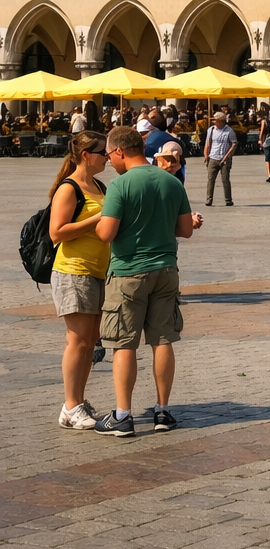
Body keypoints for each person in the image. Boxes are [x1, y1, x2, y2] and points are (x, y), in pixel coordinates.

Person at [93, 126, 201, 436]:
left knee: (124, 343)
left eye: (110, 155)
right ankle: (163, 411)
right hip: (166, 269)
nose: (110, 161)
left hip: (128, 272)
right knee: (162, 339)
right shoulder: (171, 181)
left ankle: (123, 414)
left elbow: (106, 233)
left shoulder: (120, 185)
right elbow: (185, 230)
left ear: (119, 152)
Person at [48, 130, 110, 430]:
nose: (108, 157)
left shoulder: (99, 185)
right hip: (74, 270)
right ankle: (71, 405)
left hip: (98, 270)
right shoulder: (69, 188)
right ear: (87, 155)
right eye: (103, 153)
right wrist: (97, 219)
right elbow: (56, 233)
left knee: (89, 342)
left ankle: (76, 404)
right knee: (78, 341)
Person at [203, 110, 237, 207]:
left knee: (225, 179)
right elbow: (207, 143)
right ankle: (209, 199)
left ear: (221, 121)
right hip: (213, 158)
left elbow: (234, 144)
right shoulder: (211, 130)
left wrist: (228, 156)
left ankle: (228, 199)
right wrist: (206, 156)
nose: (214, 122)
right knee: (210, 179)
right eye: (214, 120)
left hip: (225, 159)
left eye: (216, 120)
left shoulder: (229, 131)